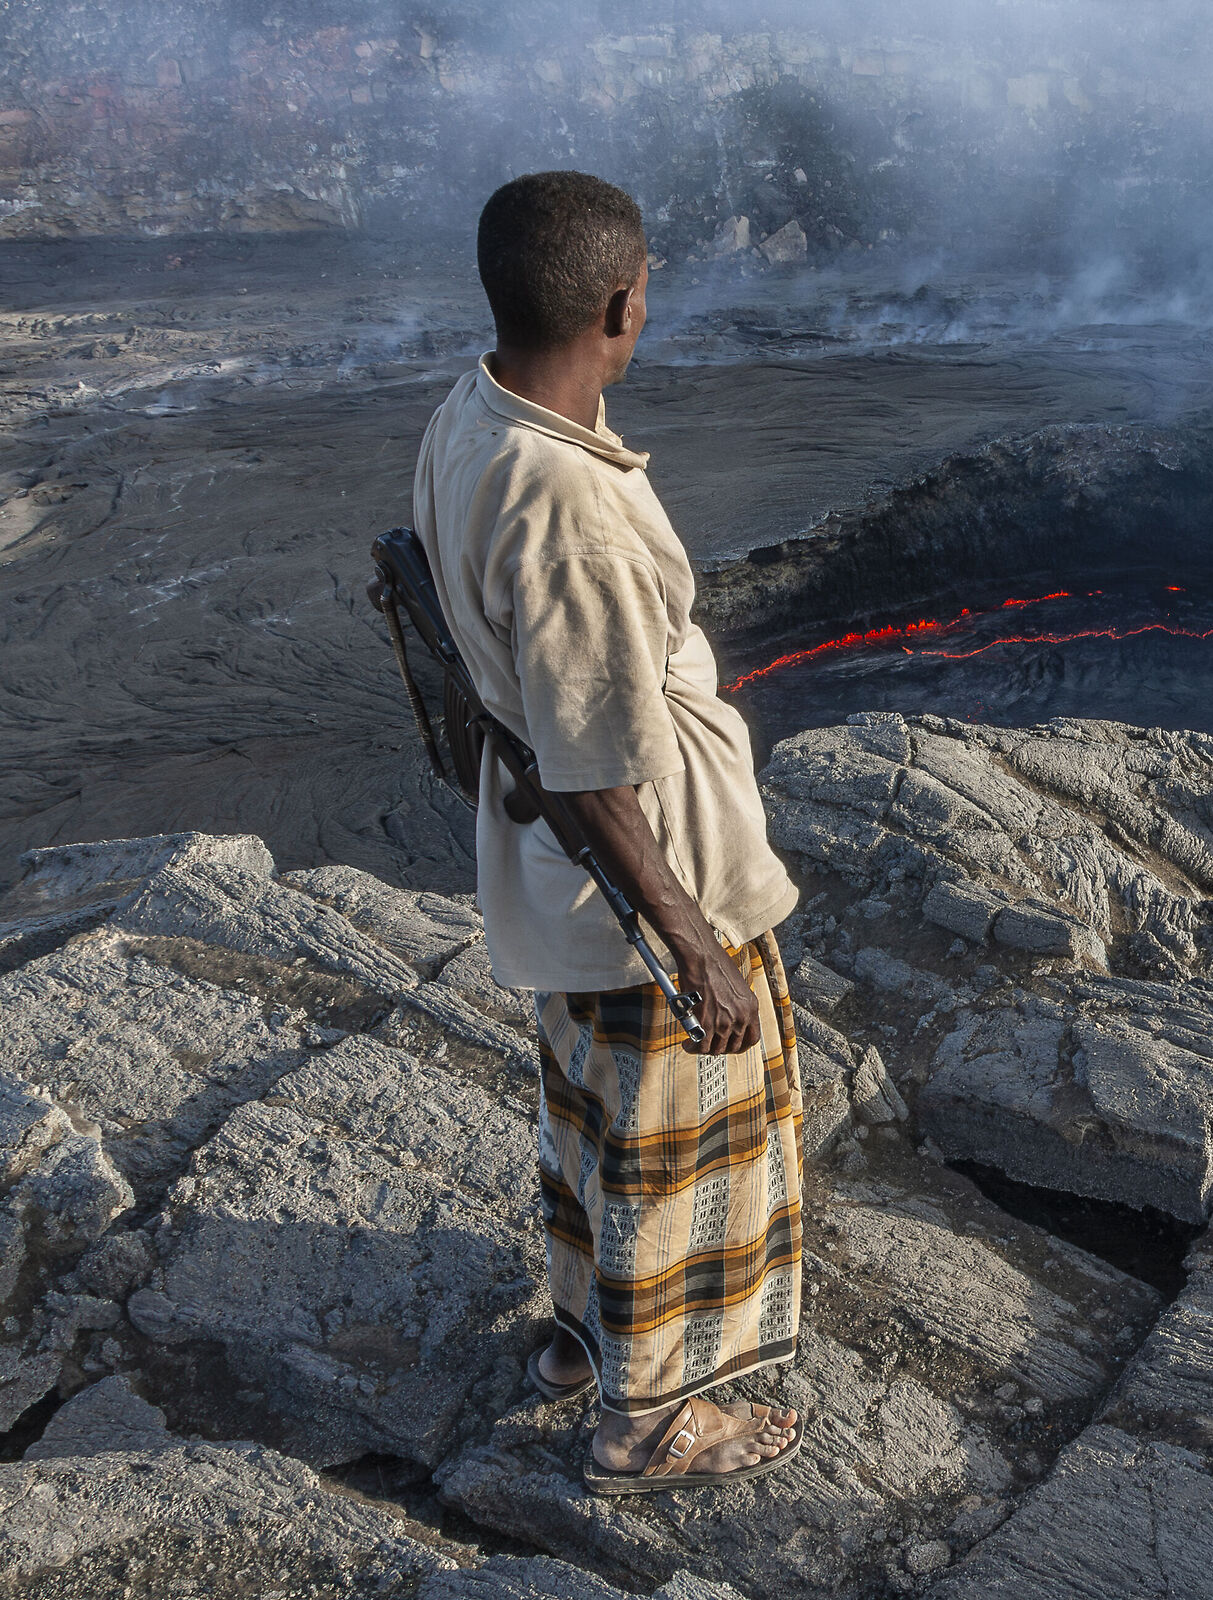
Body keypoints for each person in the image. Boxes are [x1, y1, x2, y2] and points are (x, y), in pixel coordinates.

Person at [410, 170, 805, 1494]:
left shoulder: (475, 410)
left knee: (590, 1122)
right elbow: (594, 773)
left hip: (556, 874)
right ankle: (651, 1424)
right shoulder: (567, 510)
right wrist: (694, 946)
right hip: (636, 888)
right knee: (672, 1156)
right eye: (645, 293)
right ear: (623, 306)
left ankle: (580, 1337)